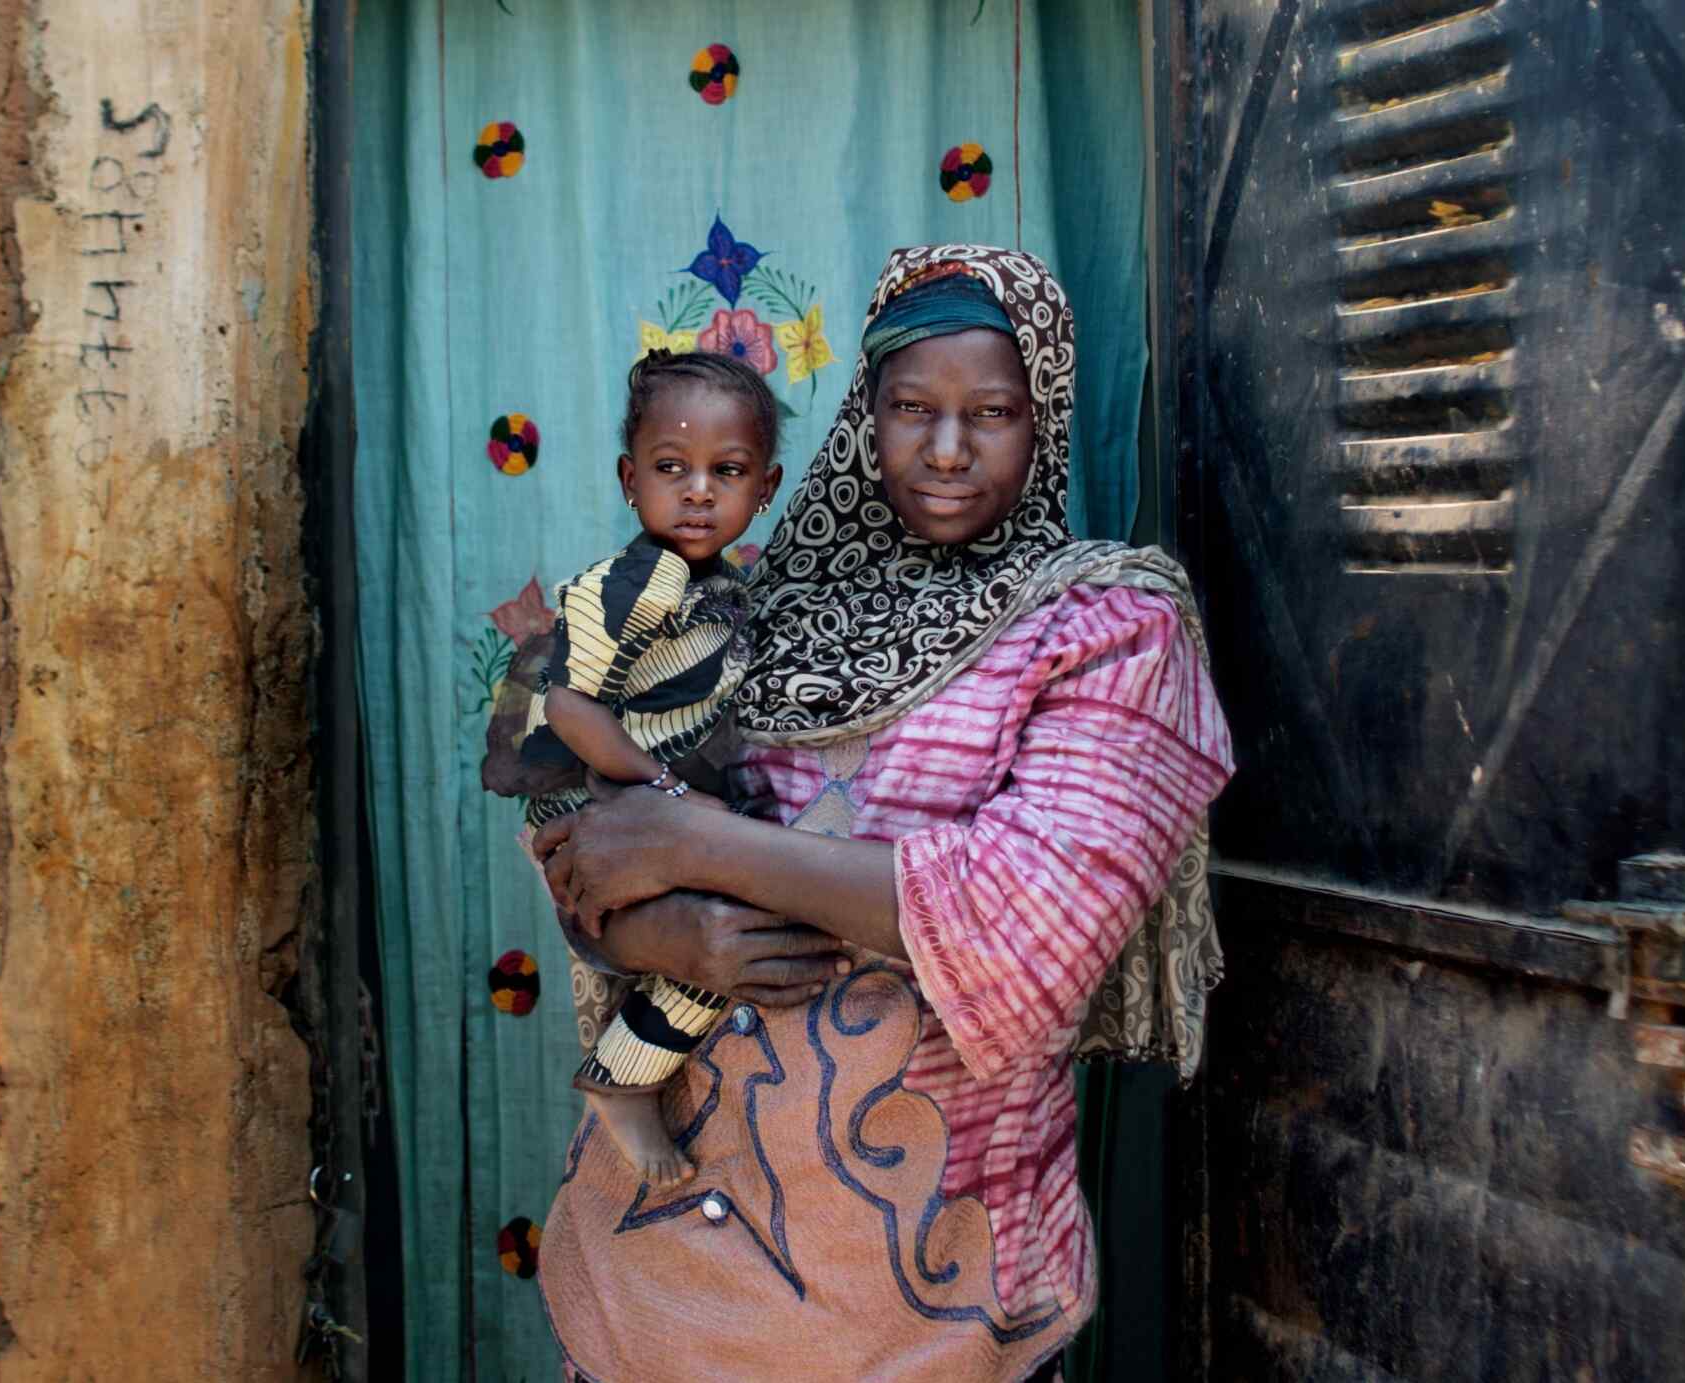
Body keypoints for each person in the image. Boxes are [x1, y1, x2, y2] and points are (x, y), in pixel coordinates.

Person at [526, 245, 1234, 1382]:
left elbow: (1027, 932)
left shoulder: (1105, 630)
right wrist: (665, 933)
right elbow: (582, 850)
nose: (946, 450)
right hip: (655, 1279)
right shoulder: (747, 611)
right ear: (867, 413)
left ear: (1042, 418)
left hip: (926, 1306)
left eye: (991, 413)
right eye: (911, 407)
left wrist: (699, 844)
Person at [494, 348, 782, 1189]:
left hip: (658, 808)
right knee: (719, 932)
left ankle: (627, 1069)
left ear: (763, 490)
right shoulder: (640, 578)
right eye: (671, 467)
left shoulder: (718, 581)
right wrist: (661, 792)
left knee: (727, 938)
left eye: (726, 471)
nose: (698, 490)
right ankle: (620, 1081)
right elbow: (569, 705)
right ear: (630, 479)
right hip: (611, 807)